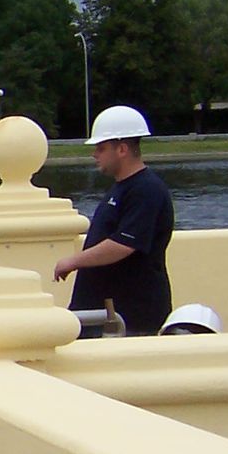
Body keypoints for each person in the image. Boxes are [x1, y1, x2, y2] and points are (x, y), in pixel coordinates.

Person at [53, 105, 176, 336]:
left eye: (101, 148)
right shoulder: (123, 188)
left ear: (121, 149)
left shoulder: (146, 190)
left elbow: (124, 244)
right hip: (104, 311)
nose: (95, 154)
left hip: (129, 314)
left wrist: (73, 261)